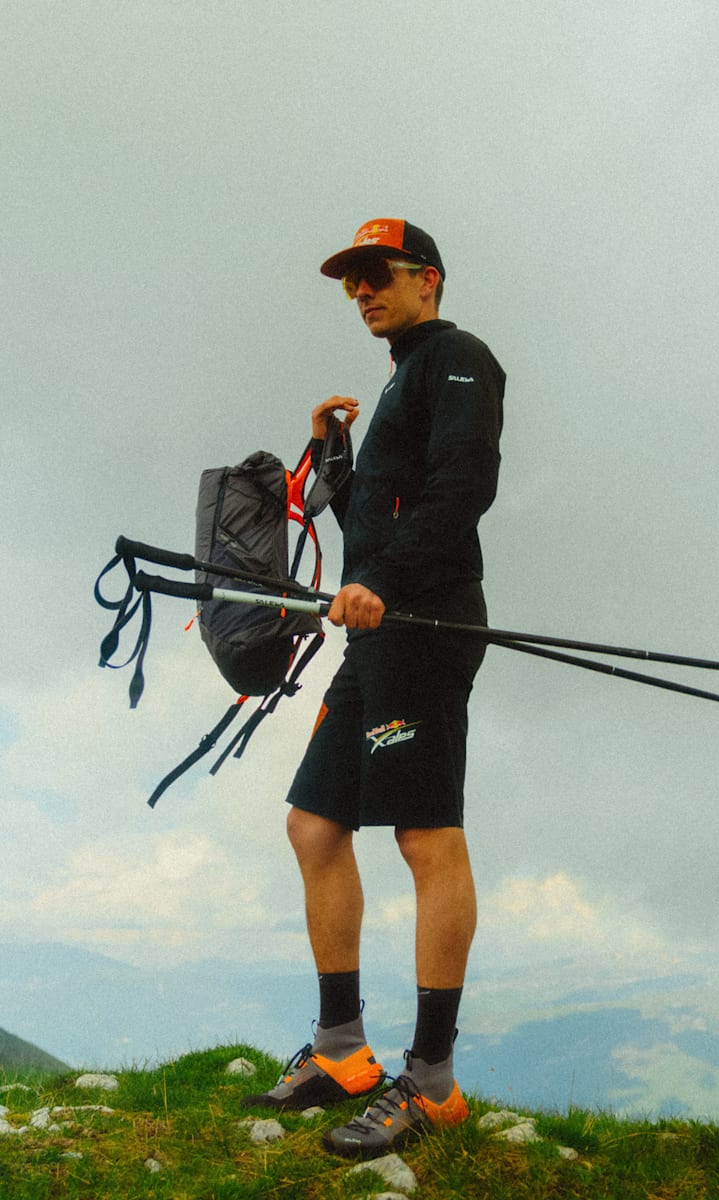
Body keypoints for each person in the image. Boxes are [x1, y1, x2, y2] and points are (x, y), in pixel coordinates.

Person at [242, 219, 505, 1160]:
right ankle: (341, 1050)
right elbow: (370, 517)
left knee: (426, 836)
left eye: (378, 275)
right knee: (315, 826)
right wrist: (335, 455)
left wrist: (386, 583)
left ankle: (431, 1081)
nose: (362, 292)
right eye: (352, 282)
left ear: (426, 280)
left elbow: (466, 484)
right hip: (377, 632)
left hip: (428, 627)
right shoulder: (401, 379)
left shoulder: (459, 359)